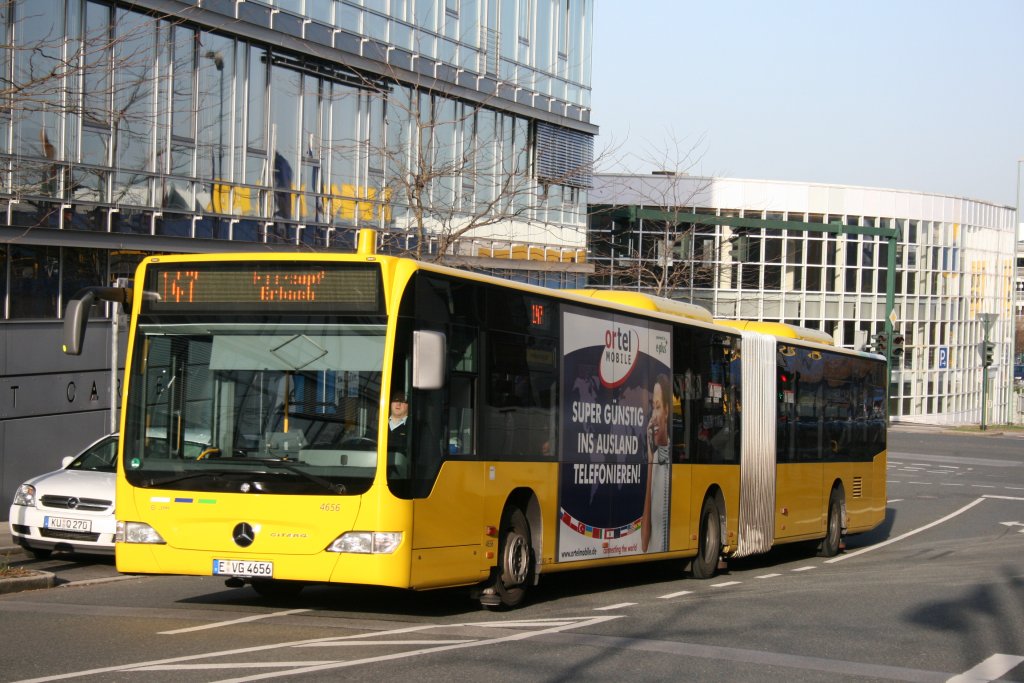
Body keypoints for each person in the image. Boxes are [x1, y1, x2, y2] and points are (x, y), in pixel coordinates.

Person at [642, 374, 671, 554]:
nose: (653, 417)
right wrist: (650, 460)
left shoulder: (672, 462)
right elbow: (644, 544)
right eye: (653, 408)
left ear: (667, 411)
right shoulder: (656, 459)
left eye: (658, 407)